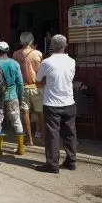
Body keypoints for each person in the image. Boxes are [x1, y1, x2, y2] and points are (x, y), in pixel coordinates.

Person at [35, 34, 77, 174]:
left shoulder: (47, 62)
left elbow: (38, 79)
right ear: (65, 45)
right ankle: (71, 161)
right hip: (69, 102)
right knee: (70, 133)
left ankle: (52, 164)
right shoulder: (72, 61)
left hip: (52, 104)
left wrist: (47, 83)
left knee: (52, 135)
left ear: (51, 46)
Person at [0, 42, 26, 156]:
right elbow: (20, 83)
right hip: (12, 96)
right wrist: (20, 97)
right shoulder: (14, 64)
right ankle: (21, 149)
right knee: (16, 120)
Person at [13, 31, 45, 146]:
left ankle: (29, 140)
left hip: (22, 88)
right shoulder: (38, 53)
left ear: (21, 41)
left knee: (25, 113)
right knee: (41, 113)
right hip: (38, 87)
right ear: (32, 41)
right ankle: (43, 140)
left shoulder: (16, 54)